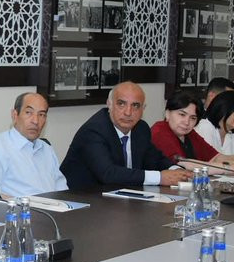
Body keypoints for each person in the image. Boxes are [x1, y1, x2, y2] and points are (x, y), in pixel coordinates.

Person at [60, 81, 191, 189]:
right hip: (79, 200)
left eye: (135, 106)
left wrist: (177, 171)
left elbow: (155, 159)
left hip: (117, 199)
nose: (128, 112)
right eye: (121, 104)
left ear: (143, 109)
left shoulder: (141, 129)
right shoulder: (94, 131)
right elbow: (108, 173)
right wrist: (160, 177)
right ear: (109, 104)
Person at [0, 92, 69, 198]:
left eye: (41, 115)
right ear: (15, 115)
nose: (35, 121)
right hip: (20, 208)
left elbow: (62, 192)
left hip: (54, 207)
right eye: (29, 113)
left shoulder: (47, 149)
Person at [149, 91, 234, 174]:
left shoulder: (189, 133)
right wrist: (228, 168)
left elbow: (215, 157)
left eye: (193, 118)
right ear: (167, 114)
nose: (186, 122)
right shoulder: (160, 131)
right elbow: (185, 164)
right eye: (182, 115)